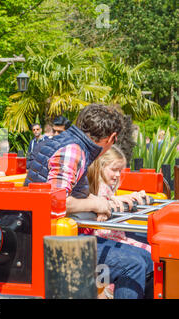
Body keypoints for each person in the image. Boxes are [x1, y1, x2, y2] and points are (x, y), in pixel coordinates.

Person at [24, 103, 153, 299]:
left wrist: (106, 202)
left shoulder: (71, 143)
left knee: (146, 257)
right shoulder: (72, 150)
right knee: (133, 265)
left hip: (48, 233)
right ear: (111, 138)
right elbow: (55, 201)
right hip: (47, 242)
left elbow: (75, 192)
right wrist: (97, 204)